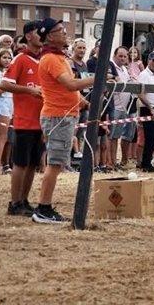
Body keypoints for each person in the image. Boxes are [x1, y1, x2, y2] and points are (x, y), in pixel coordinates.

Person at [33, 18, 95, 223]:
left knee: (57, 163)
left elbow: (66, 89)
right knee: (55, 163)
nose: (65, 32)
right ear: (50, 36)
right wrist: (98, 78)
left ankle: (44, 207)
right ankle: (43, 208)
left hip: (64, 115)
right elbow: (70, 84)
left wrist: (82, 101)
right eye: (60, 30)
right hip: (58, 116)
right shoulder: (51, 58)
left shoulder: (59, 58)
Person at [0, 22, 44, 215]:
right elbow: (4, 84)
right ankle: (14, 202)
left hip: (41, 120)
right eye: (37, 32)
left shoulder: (45, 59)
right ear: (28, 36)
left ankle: (24, 200)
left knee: (34, 163)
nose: (41, 35)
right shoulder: (21, 59)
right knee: (20, 163)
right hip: (25, 120)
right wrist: (29, 90)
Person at [110, 46, 136, 169]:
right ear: (114, 56)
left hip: (124, 107)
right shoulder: (111, 67)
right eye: (120, 56)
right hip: (114, 106)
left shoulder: (125, 69)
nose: (123, 58)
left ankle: (115, 161)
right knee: (111, 137)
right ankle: (110, 162)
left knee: (117, 136)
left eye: (125, 56)